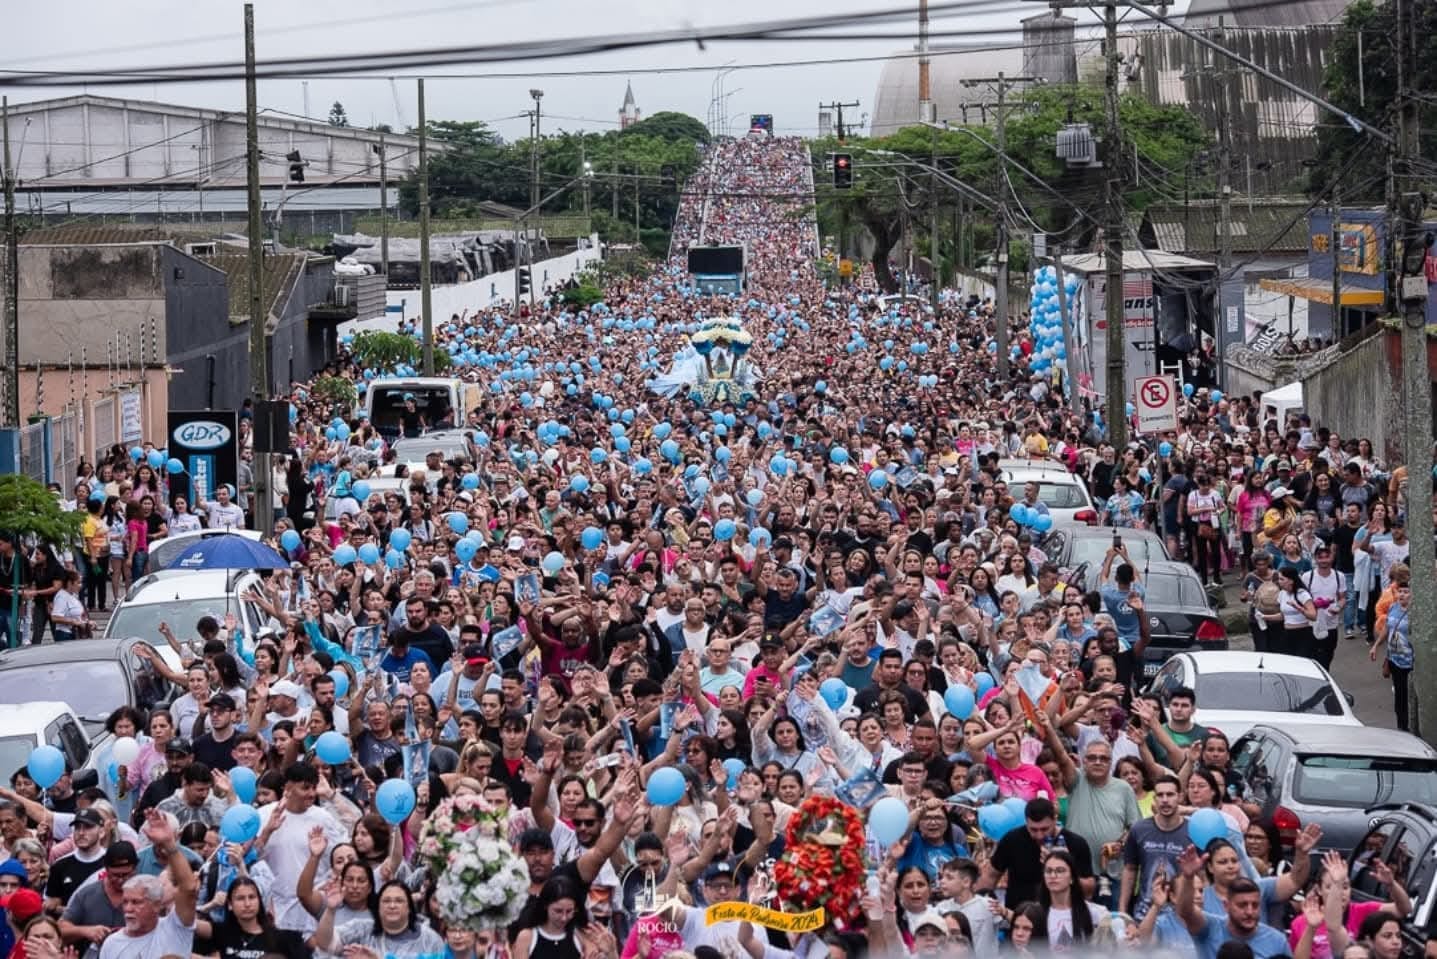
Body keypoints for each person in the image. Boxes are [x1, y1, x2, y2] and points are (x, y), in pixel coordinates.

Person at [98, 809, 198, 959]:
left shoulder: (175, 928)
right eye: (125, 902)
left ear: (156, 905)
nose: (128, 909)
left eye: (137, 902)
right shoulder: (112, 944)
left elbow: (189, 888)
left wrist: (169, 844)